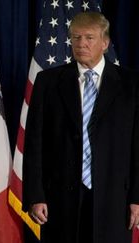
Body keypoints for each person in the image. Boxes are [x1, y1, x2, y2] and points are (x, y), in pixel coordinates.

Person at [22, 12, 139, 243]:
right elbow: (35, 143)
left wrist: (137, 197)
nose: (81, 44)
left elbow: (138, 145)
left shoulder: (132, 85)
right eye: (75, 38)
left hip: (114, 199)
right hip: (59, 200)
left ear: (105, 43)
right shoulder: (48, 82)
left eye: (89, 38)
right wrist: (36, 196)